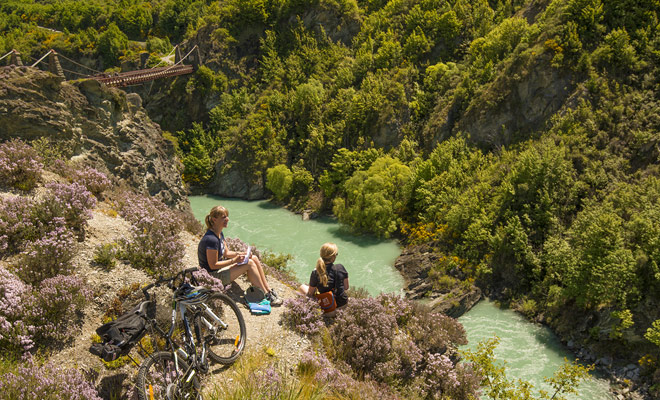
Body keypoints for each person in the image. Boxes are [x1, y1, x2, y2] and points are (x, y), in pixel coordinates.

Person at [198, 205, 282, 306]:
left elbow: (227, 253)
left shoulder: (219, 233)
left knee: (253, 258)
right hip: (212, 276)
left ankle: (268, 290)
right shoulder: (211, 239)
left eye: (227, 216)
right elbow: (213, 265)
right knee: (249, 264)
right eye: (223, 217)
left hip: (217, 271)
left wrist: (243, 254)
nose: (227, 219)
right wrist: (234, 261)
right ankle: (266, 295)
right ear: (215, 220)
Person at [298, 243, 349, 312]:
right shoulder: (340, 267)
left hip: (327, 307)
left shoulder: (316, 272)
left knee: (302, 287)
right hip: (343, 305)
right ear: (333, 256)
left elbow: (310, 292)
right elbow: (346, 287)